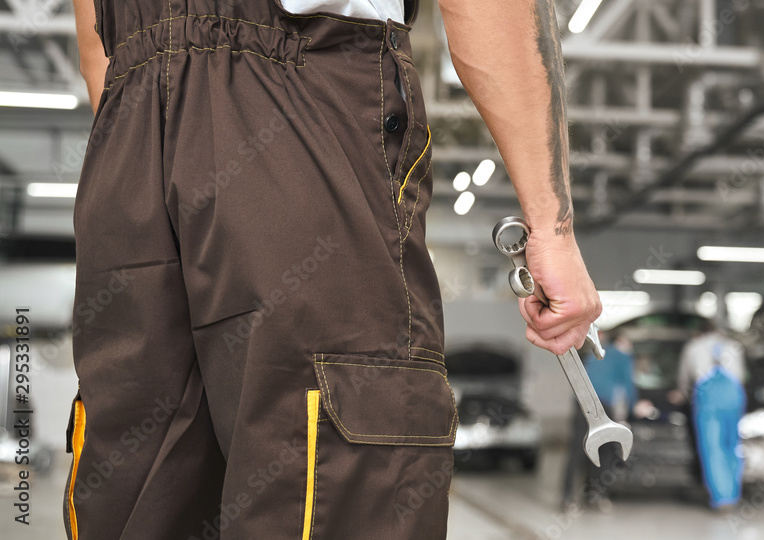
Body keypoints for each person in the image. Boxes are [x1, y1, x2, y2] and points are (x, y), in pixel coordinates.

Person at [67, 0, 601, 538]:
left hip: (127, 115)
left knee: (135, 478)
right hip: (302, 92)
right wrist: (551, 229)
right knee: (336, 473)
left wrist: (145, 151)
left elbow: (94, 32)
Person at [561, 332, 649, 512]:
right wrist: (635, 406)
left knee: (577, 450)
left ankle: (567, 499)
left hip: (581, 403)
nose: (630, 347)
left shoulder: (597, 351)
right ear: (622, 341)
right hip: (601, 405)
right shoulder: (623, 355)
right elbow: (627, 384)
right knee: (606, 451)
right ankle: (595, 496)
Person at [675, 319, 747, 509]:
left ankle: (722, 498)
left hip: (709, 400)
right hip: (734, 397)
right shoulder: (733, 346)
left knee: (712, 448)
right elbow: (742, 376)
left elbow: (684, 381)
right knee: (732, 445)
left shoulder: (693, 347)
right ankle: (734, 492)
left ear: (699, 332)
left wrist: (683, 395)